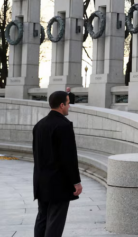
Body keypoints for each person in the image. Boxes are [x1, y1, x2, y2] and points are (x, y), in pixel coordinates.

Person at [33, 90, 83, 237]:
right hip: (58, 183)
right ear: (61, 105)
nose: (69, 107)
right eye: (68, 103)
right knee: (55, 222)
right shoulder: (64, 125)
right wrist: (76, 182)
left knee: (42, 218)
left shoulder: (39, 125)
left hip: (41, 181)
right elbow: (69, 157)